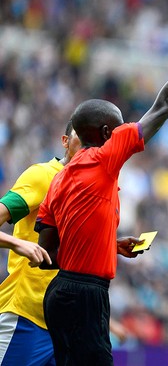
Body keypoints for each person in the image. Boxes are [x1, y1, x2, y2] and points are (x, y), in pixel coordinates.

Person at [34, 12, 168, 365]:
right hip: (88, 295)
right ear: (107, 134)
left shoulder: (59, 179)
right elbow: (163, 107)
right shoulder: (106, 158)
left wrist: (104, 245)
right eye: (120, 128)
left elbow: (46, 256)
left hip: (59, 293)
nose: (127, 132)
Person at [0, 121, 79, 365]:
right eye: (83, 136)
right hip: (25, 315)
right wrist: (16, 243)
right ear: (65, 141)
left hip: (63, 325)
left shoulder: (86, 189)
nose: (91, 144)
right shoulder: (43, 176)